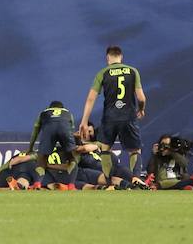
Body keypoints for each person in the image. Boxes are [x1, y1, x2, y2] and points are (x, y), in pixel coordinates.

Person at [78, 45, 146, 177]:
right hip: (128, 117)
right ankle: (137, 180)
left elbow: (90, 99)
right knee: (134, 151)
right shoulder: (132, 71)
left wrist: (84, 121)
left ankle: (110, 183)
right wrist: (141, 109)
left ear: (107, 58)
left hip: (109, 118)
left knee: (105, 149)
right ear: (121, 57)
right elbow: (141, 98)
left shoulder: (102, 73)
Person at [26, 101, 77, 189]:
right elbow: (71, 131)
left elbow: (35, 131)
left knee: (41, 160)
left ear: (50, 107)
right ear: (62, 108)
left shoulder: (43, 113)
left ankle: (37, 183)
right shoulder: (68, 113)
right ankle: (71, 185)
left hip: (49, 130)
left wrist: (30, 148)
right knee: (72, 159)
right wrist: (70, 148)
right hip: (65, 130)